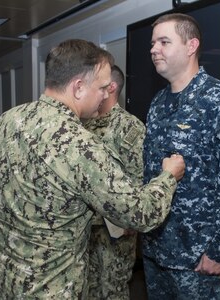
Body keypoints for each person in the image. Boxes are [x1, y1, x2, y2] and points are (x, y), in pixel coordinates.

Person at [0, 39, 185, 299]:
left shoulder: (7, 120)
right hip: (50, 287)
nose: (106, 95)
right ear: (78, 87)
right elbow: (140, 213)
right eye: (102, 88)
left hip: (5, 277)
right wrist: (169, 176)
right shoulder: (79, 144)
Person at [141, 13, 220, 299]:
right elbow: (150, 174)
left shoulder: (219, 100)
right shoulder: (158, 104)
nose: (153, 49)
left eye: (164, 41)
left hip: (197, 260)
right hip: (156, 252)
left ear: (191, 45)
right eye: (152, 43)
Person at [84, 65, 145, 299]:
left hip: (116, 230)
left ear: (111, 88)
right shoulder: (84, 125)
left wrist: (131, 222)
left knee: (113, 290)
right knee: (88, 288)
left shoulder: (130, 127)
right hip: (87, 226)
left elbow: (138, 179)